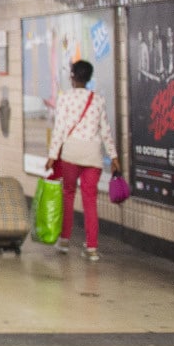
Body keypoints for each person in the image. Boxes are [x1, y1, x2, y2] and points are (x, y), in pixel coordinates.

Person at [45, 59, 120, 261]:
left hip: (71, 153)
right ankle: (92, 248)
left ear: (72, 77)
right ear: (88, 78)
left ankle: (64, 241)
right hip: (92, 154)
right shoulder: (97, 100)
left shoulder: (65, 99)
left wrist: (52, 156)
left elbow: (59, 129)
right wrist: (113, 156)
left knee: (68, 195)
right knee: (90, 201)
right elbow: (105, 131)